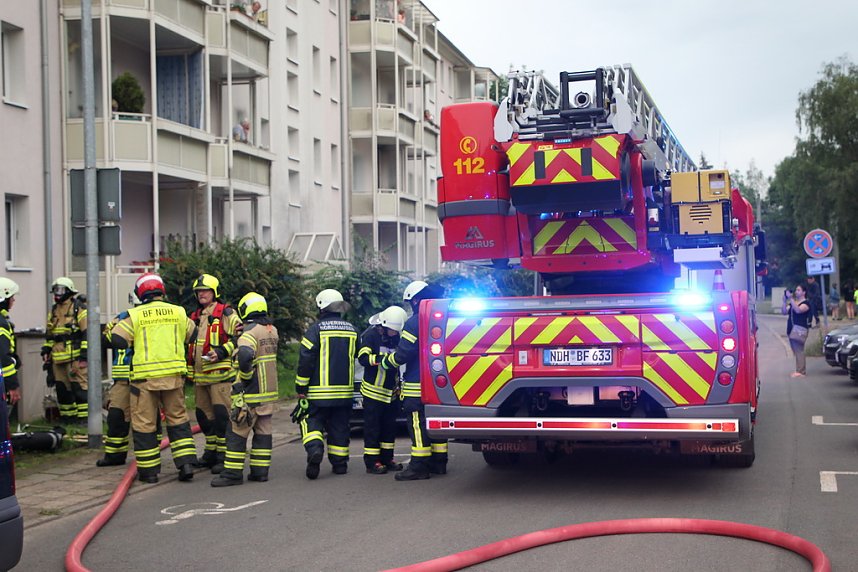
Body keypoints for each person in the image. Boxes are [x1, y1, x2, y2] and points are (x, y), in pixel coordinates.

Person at [111, 273, 198, 484]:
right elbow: (193, 334)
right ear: (162, 290)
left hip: (144, 380)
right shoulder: (178, 311)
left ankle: (149, 473)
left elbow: (117, 339)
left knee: (144, 424)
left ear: (140, 293)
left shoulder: (135, 315)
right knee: (178, 420)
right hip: (173, 378)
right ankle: (186, 464)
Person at [211, 292, 279, 487]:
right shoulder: (271, 330)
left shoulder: (249, 333)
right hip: (268, 393)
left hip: (250, 394)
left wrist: (246, 377)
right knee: (263, 431)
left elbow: (245, 355)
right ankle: (260, 472)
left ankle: (232, 474)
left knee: (236, 431)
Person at [381, 280, 446, 481]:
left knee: (417, 424)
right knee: (435, 422)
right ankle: (439, 462)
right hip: (439, 384)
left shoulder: (414, 322)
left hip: (416, 385)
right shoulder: (443, 317)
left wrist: (386, 362)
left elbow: (403, 354)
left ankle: (419, 466)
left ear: (415, 301)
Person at [296, 289, 357, 479]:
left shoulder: (315, 330)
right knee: (340, 427)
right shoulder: (352, 330)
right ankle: (340, 464)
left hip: (318, 393)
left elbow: (306, 360)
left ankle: (315, 449)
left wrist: (301, 387)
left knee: (310, 421)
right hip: (345, 393)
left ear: (321, 307)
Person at [188, 274, 242, 473]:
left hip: (221, 377)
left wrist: (221, 352)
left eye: (205, 290)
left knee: (222, 417)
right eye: (198, 291)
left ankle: (224, 456)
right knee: (204, 417)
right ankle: (210, 452)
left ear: (214, 292)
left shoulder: (226, 313)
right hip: (200, 378)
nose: (201, 294)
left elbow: (241, 335)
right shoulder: (195, 316)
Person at [358, 305, 408, 474]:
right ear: (384, 326)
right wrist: (384, 359)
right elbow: (363, 358)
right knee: (373, 429)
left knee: (389, 428)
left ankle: (387, 458)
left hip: (391, 393)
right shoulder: (370, 336)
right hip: (373, 392)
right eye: (392, 331)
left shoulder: (395, 337)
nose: (394, 334)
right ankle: (372, 462)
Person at [41, 277, 88, 423]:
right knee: (62, 389)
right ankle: (68, 418)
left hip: (75, 357)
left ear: (69, 291)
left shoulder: (78, 308)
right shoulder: (54, 310)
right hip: (58, 357)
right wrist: (46, 350)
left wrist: (84, 356)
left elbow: (87, 333)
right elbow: (50, 334)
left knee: (79, 387)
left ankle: (84, 419)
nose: (57, 293)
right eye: (55, 290)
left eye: (60, 290)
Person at [0, 278, 21, 408]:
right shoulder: (1, 324)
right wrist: (12, 386)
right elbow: (3, 356)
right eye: (11, 297)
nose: (13, 300)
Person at [783, 284, 811, 377]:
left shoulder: (806, 303)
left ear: (804, 292)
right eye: (796, 290)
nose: (796, 292)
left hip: (800, 330)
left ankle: (801, 371)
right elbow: (784, 312)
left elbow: (798, 310)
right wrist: (784, 301)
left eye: (798, 290)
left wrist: (791, 299)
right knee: (795, 350)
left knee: (799, 350)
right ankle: (798, 369)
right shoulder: (793, 302)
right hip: (791, 330)